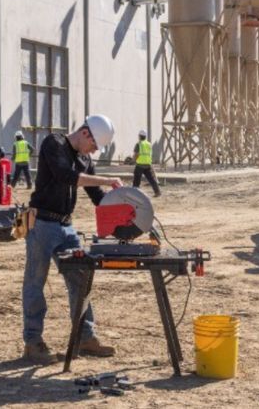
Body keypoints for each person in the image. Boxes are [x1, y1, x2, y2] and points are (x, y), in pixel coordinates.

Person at [23, 115, 123, 364]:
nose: (94, 151)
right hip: (41, 223)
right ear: (86, 133)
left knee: (81, 280)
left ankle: (86, 337)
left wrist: (124, 212)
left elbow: (97, 196)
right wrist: (108, 179)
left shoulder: (85, 159)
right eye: (94, 145)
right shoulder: (53, 144)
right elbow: (66, 176)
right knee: (36, 282)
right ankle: (33, 343)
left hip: (66, 226)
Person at [132, 130, 161, 197]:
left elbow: (136, 154)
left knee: (136, 180)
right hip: (148, 164)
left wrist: (133, 160)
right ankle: (157, 192)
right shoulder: (149, 144)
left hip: (140, 165)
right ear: (145, 137)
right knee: (151, 179)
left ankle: (134, 194)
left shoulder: (139, 144)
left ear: (139, 136)